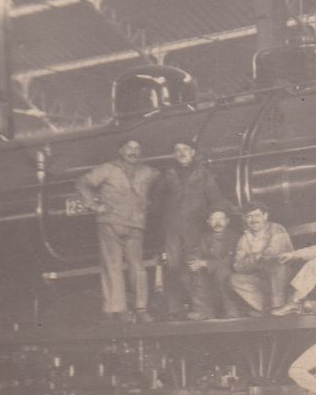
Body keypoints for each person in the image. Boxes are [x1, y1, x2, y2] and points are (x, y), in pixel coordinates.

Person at [76, 138, 159, 323]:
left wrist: (149, 204)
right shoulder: (108, 168)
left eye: (137, 148)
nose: (133, 151)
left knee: (138, 267)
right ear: (121, 150)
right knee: (112, 266)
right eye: (129, 148)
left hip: (136, 225)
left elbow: (161, 185)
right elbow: (83, 182)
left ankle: (141, 308)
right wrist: (93, 206)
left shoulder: (148, 172)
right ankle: (117, 309)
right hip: (110, 222)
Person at [156, 140, 228, 319]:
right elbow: (156, 201)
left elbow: (216, 198)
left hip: (195, 227)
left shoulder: (203, 174)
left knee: (193, 266)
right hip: (172, 229)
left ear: (193, 152)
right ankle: (175, 309)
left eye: (185, 149)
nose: (181, 153)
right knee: (172, 267)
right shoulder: (167, 175)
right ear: (174, 154)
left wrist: (234, 212)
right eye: (177, 150)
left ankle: (201, 308)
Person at [229, 202, 293, 313]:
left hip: (283, 275)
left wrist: (252, 259)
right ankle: (267, 309)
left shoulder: (276, 229)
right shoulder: (244, 238)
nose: (253, 220)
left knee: (277, 267)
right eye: (249, 217)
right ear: (244, 219)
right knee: (234, 279)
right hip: (262, 277)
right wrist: (257, 257)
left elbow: (271, 255)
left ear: (265, 216)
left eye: (257, 215)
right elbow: (238, 266)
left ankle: (279, 307)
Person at [186, 206, 243, 320]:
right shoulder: (205, 237)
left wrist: (206, 263)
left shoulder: (234, 237)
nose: (218, 223)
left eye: (221, 219)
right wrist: (194, 260)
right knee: (191, 271)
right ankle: (203, 310)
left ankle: (232, 310)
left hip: (229, 270)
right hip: (210, 271)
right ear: (208, 222)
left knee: (221, 272)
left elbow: (231, 261)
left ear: (227, 221)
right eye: (213, 219)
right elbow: (196, 252)